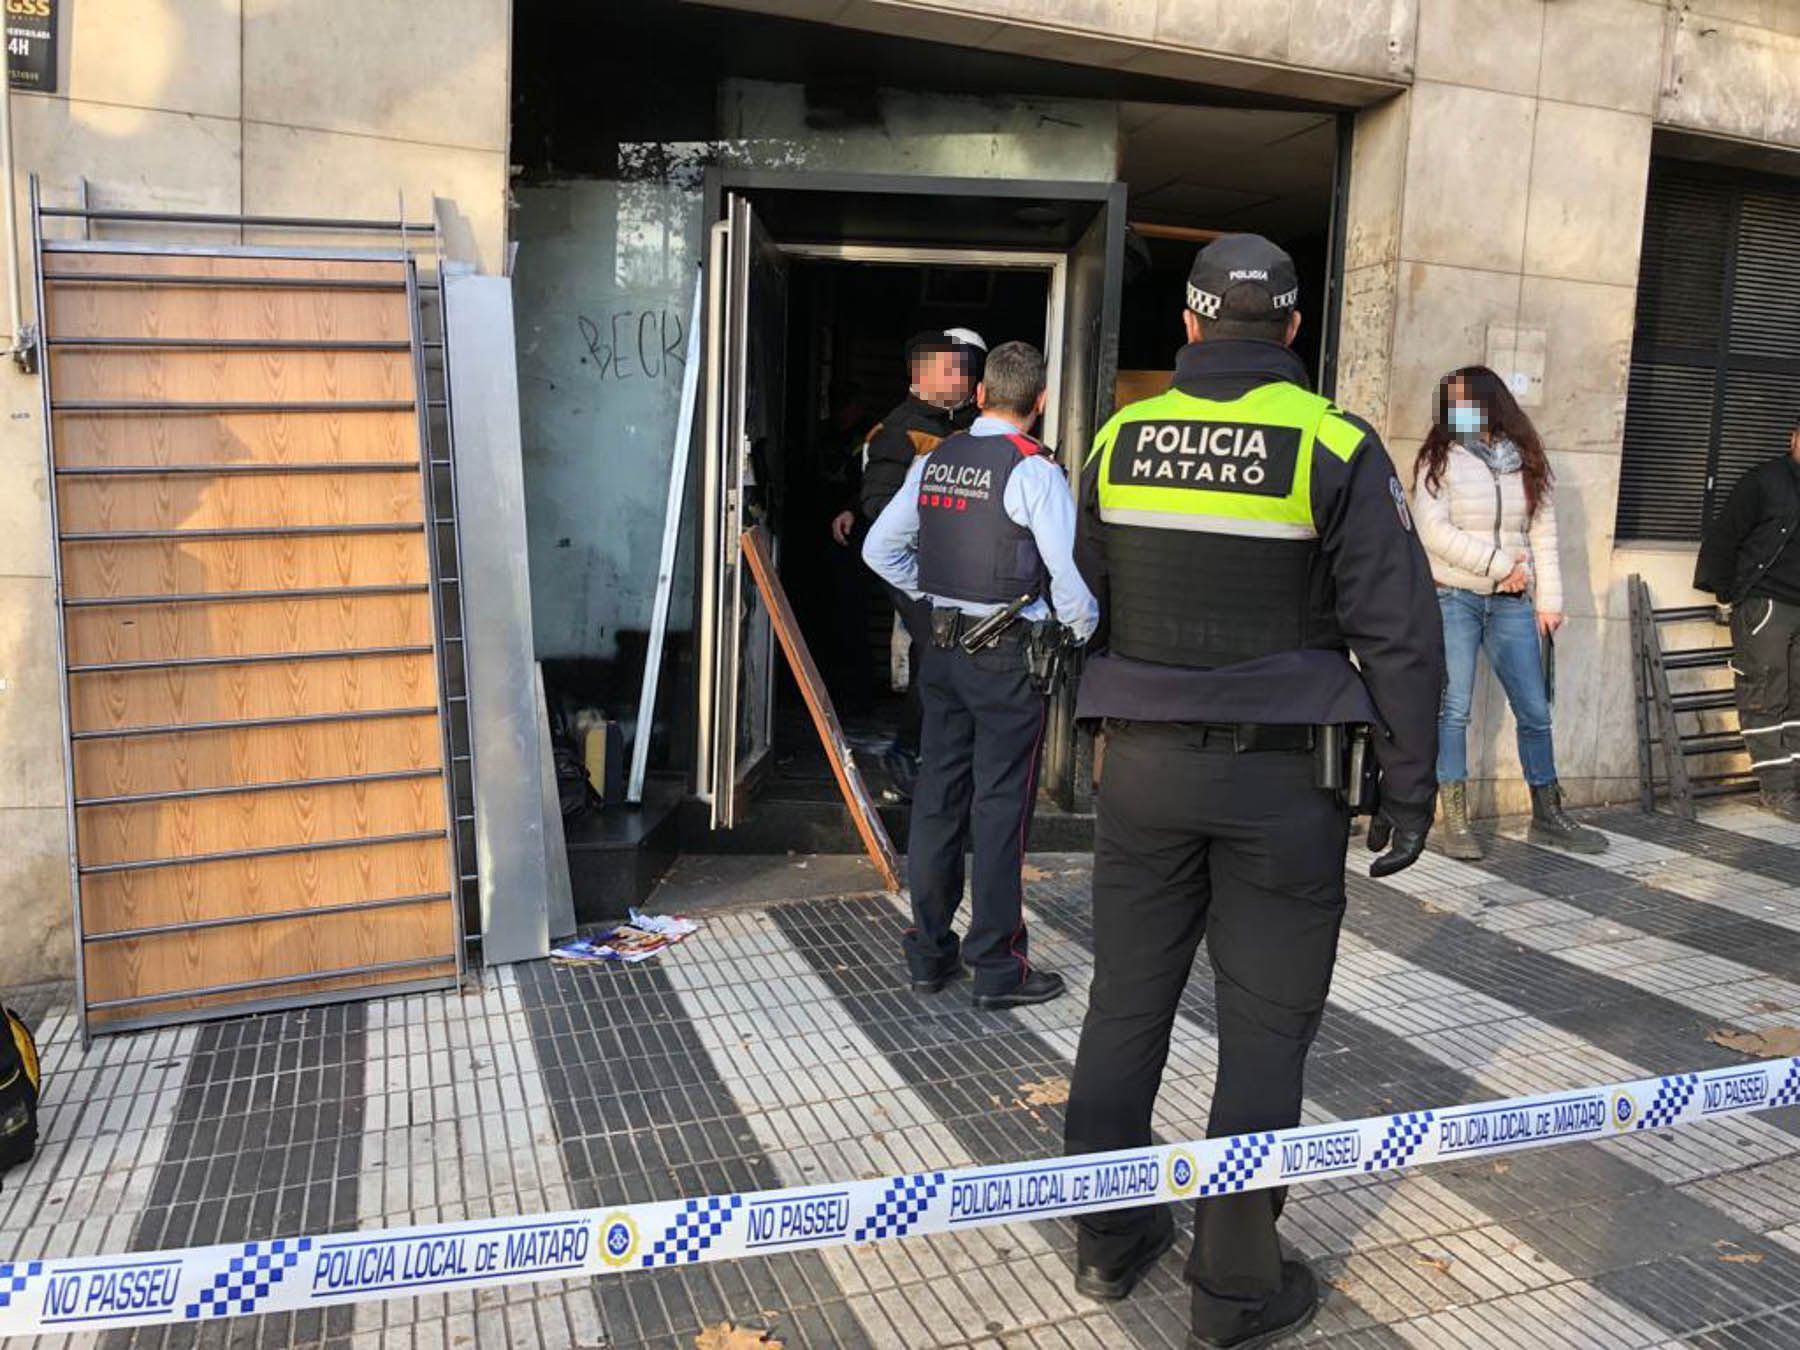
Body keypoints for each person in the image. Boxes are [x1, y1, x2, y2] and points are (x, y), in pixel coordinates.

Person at [1062, 234, 1442, 1349]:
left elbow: (1080, 605)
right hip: (1283, 785)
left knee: (1126, 1001)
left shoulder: (1122, 436)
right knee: (1265, 1031)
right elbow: (1401, 634)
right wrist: (1410, 788)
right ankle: (1234, 1290)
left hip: (1139, 766)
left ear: (1186, 325)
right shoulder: (1332, 440)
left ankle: (1110, 1238)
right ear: (1289, 329)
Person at [863, 341, 1097, 1009]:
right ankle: (997, 967)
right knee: (999, 810)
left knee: (937, 800)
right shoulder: (1034, 470)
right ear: (1040, 402)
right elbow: (1069, 582)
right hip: (1006, 661)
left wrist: (929, 601)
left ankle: (928, 954)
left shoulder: (936, 458)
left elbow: (881, 549)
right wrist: (1080, 632)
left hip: (941, 655)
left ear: (983, 394)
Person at [1411, 366, 1607, 858]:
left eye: (1465, 400)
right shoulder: (1438, 457)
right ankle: (1454, 819)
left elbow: (1543, 534)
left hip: (1512, 604)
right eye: (1449, 401)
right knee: (1452, 710)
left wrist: (1550, 602)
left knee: (1535, 709)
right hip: (1454, 596)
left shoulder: (1525, 459)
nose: (1456, 410)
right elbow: (1432, 531)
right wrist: (1499, 566)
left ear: (1490, 402)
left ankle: (1548, 812)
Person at [837, 328, 987, 798]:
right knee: (935, 650)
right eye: (958, 369)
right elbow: (879, 503)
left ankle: (933, 750)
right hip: (911, 564)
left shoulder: (968, 426)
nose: (966, 380)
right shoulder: (897, 431)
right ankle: (906, 750)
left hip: (957, 564)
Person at [1695, 417, 1800, 819]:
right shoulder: (1763, 481)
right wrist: (1727, 594)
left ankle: (1794, 783)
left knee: (1796, 699)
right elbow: (1726, 536)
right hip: (1766, 605)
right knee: (1764, 696)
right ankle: (1777, 790)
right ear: (1792, 438)